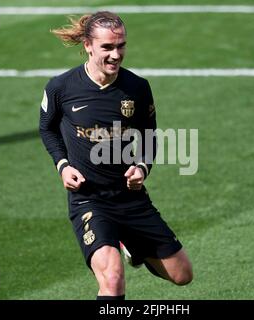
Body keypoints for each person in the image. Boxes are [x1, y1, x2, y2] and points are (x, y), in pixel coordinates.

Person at [39, 11, 193, 300]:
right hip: (89, 198)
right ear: (88, 45)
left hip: (131, 199)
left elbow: (149, 134)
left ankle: (134, 246)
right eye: (107, 47)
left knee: (183, 275)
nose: (116, 54)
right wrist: (62, 166)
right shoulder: (61, 87)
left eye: (120, 46)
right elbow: (47, 129)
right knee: (112, 278)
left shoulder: (136, 87)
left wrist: (142, 168)